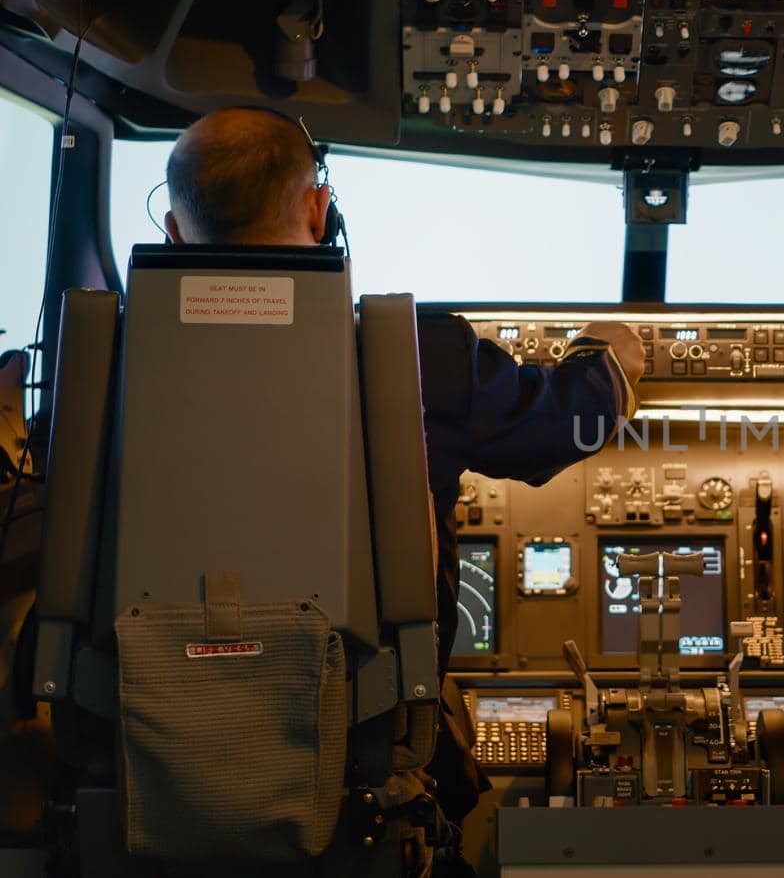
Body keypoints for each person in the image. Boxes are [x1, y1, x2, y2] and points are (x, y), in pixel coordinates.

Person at [162, 106, 645, 820]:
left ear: (173, 233)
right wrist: (605, 359)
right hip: (363, 750)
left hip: (164, 744)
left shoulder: (111, 368)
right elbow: (558, 428)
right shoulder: (419, 359)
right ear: (319, 208)